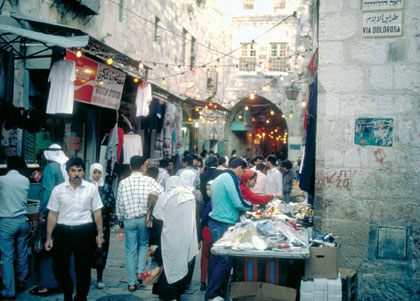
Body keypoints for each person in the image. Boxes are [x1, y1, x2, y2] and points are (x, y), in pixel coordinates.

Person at [44, 157, 104, 301]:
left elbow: (97, 212)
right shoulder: (58, 190)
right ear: (68, 172)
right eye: (73, 170)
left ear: (83, 172)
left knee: (83, 268)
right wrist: (48, 237)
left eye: (79, 170)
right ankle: (68, 289)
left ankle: (81, 297)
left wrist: (99, 234)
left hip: (84, 231)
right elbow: (52, 214)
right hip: (63, 232)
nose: (76, 174)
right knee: (58, 268)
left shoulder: (91, 189)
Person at [205, 158, 256, 300]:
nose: (243, 174)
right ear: (239, 168)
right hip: (222, 223)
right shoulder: (230, 178)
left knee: (216, 258)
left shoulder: (221, 177)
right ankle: (212, 294)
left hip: (217, 222)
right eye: (243, 171)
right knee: (225, 260)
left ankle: (215, 293)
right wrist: (251, 206)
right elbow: (238, 201)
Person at [116, 156, 163, 292]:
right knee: (143, 246)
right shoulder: (148, 180)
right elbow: (161, 192)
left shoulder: (123, 182)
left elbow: (119, 203)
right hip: (144, 219)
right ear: (143, 166)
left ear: (130, 167)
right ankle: (139, 273)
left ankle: (131, 283)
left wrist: (120, 218)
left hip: (129, 219)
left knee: (130, 250)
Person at [152, 176, 199, 300]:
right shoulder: (189, 197)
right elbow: (194, 220)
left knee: (168, 264)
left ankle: (168, 294)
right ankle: (177, 291)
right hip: (184, 237)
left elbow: (157, 217)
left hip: (168, 237)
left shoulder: (164, 197)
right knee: (181, 263)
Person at [31, 144, 68, 297]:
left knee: (47, 248)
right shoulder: (68, 166)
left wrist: (41, 213)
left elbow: (47, 192)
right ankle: (63, 282)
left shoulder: (51, 168)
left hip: (53, 214)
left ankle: (45, 286)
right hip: (68, 215)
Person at [0, 157, 30, 299]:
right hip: (22, 221)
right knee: (22, 254)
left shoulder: (2, 180)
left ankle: (9, 290)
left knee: (7, 257)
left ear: (8, 165)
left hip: (7, 221)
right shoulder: (25, 180)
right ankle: (21, 283)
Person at [89, 163, 116, 290]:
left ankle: (100, 278)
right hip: (87, 224)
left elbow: (110, 203)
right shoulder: (86, 187)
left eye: (99, 172)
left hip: (103, 225)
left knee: (102, 250)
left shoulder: (106, 187)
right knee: (87, 250)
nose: (96, 175)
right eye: (94, 172)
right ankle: (86, 276)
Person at [179, 169, 204, 286]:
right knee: (191, 252)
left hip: (180, 226)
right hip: (193, 226)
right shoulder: (196, 194)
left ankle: (180, 276)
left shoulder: (177, 191)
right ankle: (187, 279)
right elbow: (200, 211)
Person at [199, 181, 213, 291]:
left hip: (207, 231)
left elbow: (203, 219)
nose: (207, 192)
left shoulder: (210, 204)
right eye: (207, 189)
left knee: (205, 257)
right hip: (217, 230)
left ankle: (203, 281)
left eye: (210, 189)